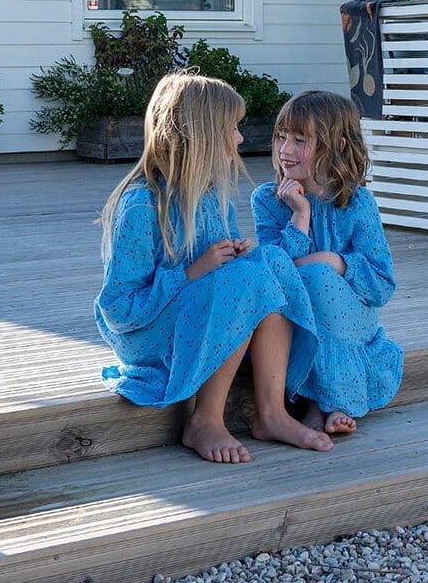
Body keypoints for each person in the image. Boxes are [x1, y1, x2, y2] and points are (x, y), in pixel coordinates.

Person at [95, 72, 332, 463]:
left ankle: (271, 413)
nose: (240, 138)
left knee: (267, 262)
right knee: (247, 279)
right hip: (147, 334)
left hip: (196, 312)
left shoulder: (211, 196)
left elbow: (246, 273)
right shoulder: (141, 206)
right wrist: (193, 272)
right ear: (200, 135)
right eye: (231, 128)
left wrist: (278, 230)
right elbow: (119, 308)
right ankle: (204, 419)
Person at [252, 89, 402, 435]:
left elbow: (381, 285)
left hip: (349, 318)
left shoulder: (358, 203)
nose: (285, 150)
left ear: (340, 145)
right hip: (295, 318)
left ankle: (326, 403)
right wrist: (300, 215)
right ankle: (318, 404)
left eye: (300, 140)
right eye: (281, 137)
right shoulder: (267, 200)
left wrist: (335, 260)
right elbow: (276, 271)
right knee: (308, 279)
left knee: (319, 275)